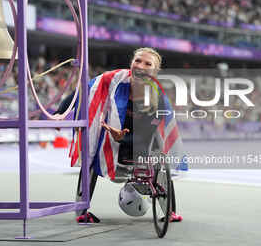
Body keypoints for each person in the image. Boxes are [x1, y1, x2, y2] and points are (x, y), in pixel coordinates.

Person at [56, 47, 184, 223]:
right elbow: (84, 91)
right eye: (138, 60)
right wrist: (60, 112)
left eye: (148, 64)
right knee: (91, 153)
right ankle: (81, 212)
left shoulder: (157, 97)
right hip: (110, 136)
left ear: (155, 71)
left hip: (139, 142)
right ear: (131, 63)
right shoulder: (113, 79)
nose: (141, 66)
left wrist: (123, 138)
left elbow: (149, 135)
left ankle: (170, 212)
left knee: (160, 154)